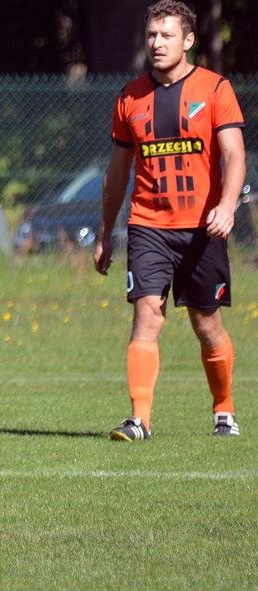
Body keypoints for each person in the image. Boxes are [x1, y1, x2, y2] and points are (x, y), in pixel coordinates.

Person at [92, 1, 247, 441]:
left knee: (206, 324)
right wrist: (106, 233)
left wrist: (227, 206)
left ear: (188, 40)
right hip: (148, 226)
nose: (157, 43)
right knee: (147, 314)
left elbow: (235, 155)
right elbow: (117, 174)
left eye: (167, 35)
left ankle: (224, 409)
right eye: (151, 35)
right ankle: (139, 420)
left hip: (202, 228)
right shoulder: (129, 97)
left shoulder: (215, 89)